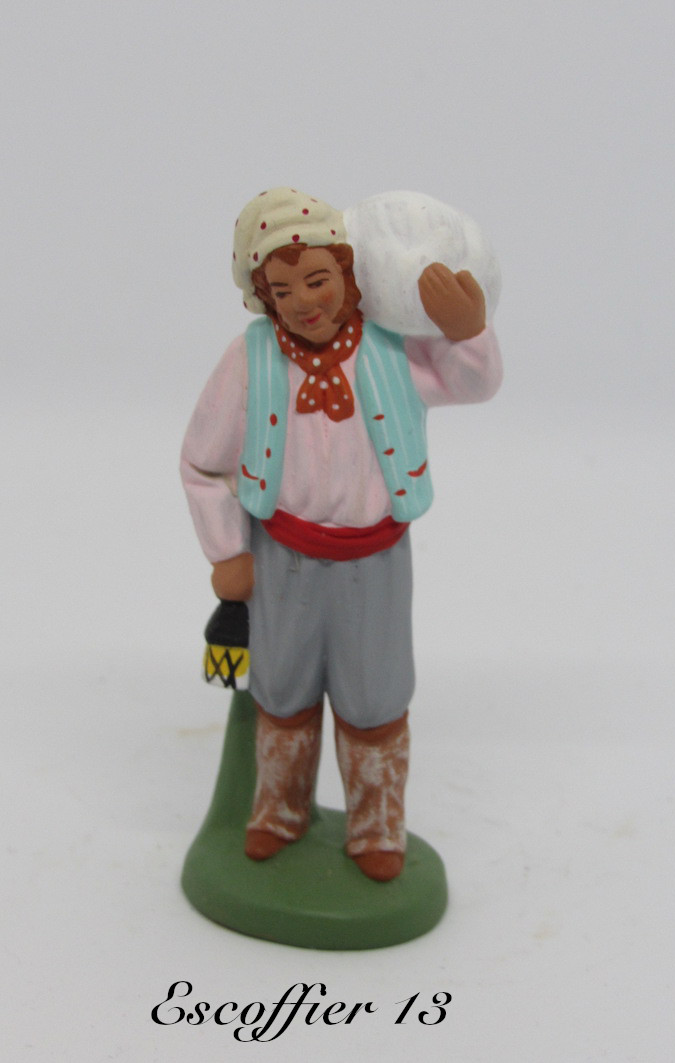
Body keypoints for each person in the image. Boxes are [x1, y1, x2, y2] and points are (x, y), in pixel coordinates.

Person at [181, 187, 502, 882]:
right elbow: (202, 464)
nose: (304, 301)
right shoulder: (249, 359)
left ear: (350, 275)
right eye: (283, 289)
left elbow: (473, 385)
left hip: (375, 562)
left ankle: (376, 823)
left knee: (374, 697)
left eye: (318, 279)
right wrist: (227, 552)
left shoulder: (391, 351)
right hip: (281, 558)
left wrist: (466, 332)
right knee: (281, 690)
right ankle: (279, 810)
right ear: (263, 297)